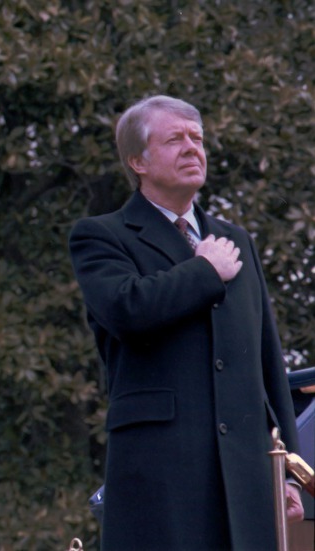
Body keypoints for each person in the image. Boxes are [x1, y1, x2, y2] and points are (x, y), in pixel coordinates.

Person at [69, 95, 303, 549]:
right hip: (161, 475)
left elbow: (267, 361)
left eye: (197, 138)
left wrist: (288, 469)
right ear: (137, 160)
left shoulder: (235, 240)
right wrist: (205, 272)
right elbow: (127, 310)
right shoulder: (101, 235)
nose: (193, 148)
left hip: (246, 474)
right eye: (175, 139)